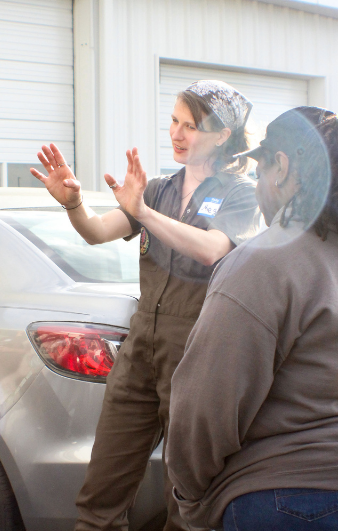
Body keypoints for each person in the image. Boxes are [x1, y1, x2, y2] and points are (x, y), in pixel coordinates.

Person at [31, 80, 261, 531]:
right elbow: (97, 232)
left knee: (187, 502)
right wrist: (74, 203)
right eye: (173, 121)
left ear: (222, 135)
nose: (176, 133)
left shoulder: (242, 194)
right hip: (140, 354)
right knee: (100, 496)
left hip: (197, 358)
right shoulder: (156, 190)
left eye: (190, 126)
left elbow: (212, 249)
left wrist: (144, 214)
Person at [166, 106, 338, 531]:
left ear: (281, 167)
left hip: (283, 497)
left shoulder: (264, 264)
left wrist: (190, 497)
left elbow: (205, 406)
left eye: (260, 171)